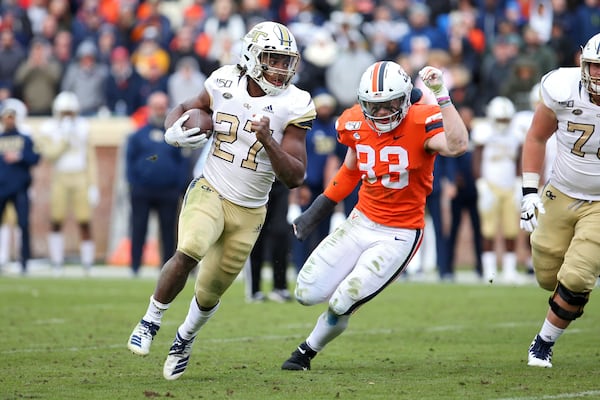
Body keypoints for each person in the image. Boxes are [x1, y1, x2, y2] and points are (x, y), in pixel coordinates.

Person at [127, 21, 316, 380]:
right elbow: (186, 105)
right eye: (273, 58)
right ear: (252, 56)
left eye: (285, 60)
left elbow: (295, 177)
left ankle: (184, 337)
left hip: (250, 209)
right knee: (190, 248)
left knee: (211, 289)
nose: (281, 68)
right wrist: (172, 129)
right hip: (211, 187)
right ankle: (150, 320)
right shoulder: (223, 80)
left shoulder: (295, 104)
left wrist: (268, 139)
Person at [280, 61, 468, 371]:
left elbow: (458, 145)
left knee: (342, 302)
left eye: (387, 105)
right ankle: (346, 288)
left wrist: (441, 94)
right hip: (360, 221)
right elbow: (351, 169)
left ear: (405, 99)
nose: (379, 114)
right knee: (305, 292)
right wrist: (320, 208)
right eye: (372, 106)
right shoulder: (353, 120)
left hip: (399, 233)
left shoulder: (423, 119)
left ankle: (307, 350)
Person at [521, 32, 600, 368]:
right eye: (595, 66)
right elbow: (537, 136)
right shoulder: (562, 88)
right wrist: (528, 191)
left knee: (577, 276)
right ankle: (572, 295)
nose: (597, 75)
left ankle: (543, 343)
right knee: (548, 275)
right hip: (561, 191)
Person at [125, 91, 193, 277]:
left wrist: (178, 186)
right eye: (156, 106)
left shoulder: (173, 135)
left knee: (168, 230)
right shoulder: (138, 135)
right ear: (149, 108)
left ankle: (166, 266)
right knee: (139, 227)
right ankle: (135, 265)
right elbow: (129, 161)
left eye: (162, 106)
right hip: (143, 190)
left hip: (168, 190)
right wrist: (134, 184)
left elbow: (182, 162)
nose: (159, 110)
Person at [36, 91, 99, 275]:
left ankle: (88, 263)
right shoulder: (50, 128)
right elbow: (50, 155)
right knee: (56, 219)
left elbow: (90, 158)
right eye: (64, 112)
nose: (68, 116)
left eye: (70, 112)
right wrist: (64, 137)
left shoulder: (83, 126)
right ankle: (56, 262)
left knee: (84, 220)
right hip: (60, 176)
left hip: (80, 176)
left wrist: (93, 184)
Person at [472, 96, 523, 284]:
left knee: (511, 230)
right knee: (488, 230)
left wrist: (519, 182)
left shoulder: (516, 133)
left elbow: (520, 159)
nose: (503, 123)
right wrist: (481, 184)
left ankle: (509, 270)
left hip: (509, 186)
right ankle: (490, 271)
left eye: (505, 120)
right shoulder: (483, 131)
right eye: (500, 119)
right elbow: (476, 159)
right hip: (490, 186)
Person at [0, 104, 41, 274]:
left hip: (20, 187)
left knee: (23, 224)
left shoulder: (25, 138)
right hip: (2, 187)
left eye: (12, 117)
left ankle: (24, 261)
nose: (9, 120)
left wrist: (20, 156)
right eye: (7, 117)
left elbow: (35, 157)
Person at [245, 178, 292, 303]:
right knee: (256, 233)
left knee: (281, 232)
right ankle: (254, 289)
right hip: (257, 183)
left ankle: (280, 287)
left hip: (280, 182)